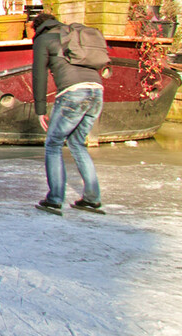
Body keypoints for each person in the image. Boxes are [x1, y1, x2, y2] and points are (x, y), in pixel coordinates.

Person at [31, 11, 105, 214]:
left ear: (37, 28)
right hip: (96, 91)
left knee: (53, 143)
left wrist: (40, 110)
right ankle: (92, 198)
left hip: (73, 94)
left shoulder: (44, 39)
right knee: (77, 143)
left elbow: (39, 75)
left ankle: (54, 199)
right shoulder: (74, 35)